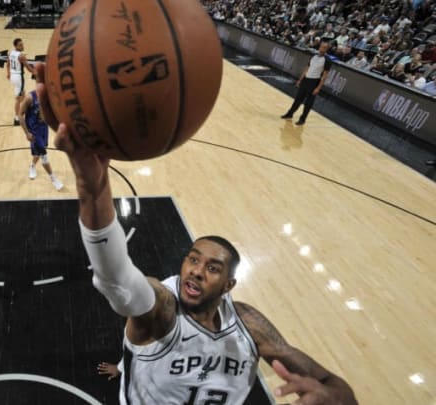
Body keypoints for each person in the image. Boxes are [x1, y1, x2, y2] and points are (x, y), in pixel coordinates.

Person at [34, 63, 358, 405]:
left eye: (213, 268)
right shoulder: (162, 309)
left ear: (229, 286)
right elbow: (116, 279)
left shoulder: (248, 323)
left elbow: (334, 386)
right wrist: (91, 184)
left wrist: (335, 398)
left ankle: (130, 366)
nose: (196, 271)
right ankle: (130, 365)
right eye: (192, 259)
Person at [19, 90, 64, 190]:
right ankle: (53, 179)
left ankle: (32, 166)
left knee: (39, 152)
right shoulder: (30, 98)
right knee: (44, 155)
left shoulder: (49, 96)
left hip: (44, 128)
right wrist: (27, 133)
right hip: (33, 131)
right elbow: (20, 115)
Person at [281, 42, 332, 125]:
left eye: (324, 48)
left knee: (308, 103)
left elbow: (325, 76)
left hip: (314, 82)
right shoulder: (314, 56)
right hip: (305, 80)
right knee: (298, 99)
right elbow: (307, 68)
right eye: (321, 47)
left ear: (327, 49)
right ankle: (290, 114)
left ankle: (302, 119)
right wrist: (300, 80)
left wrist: (318, 88)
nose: (322, 49)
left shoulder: (327, 60)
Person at [6, 38, 35, 126]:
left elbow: (8, 64)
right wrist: (38, 72)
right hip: (19, 78)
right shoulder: (21, 56)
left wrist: (8, 74)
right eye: (20, 45)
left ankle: (26, 109)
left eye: (22, 44)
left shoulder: (10, 53)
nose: (22, 46)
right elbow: (29, 69)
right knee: (18, 99)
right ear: (16, 46)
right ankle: (17, 118)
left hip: (13, 76)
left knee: (22, 94)